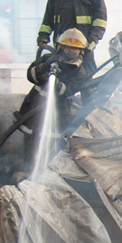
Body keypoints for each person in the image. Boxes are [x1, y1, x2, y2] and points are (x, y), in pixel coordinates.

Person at [16, 28, 91, 166]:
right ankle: (26, 172)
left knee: (52, 146)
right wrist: (45, 66)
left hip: (58, 113)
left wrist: (55, 81)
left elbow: (65, 91)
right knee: (31, 143)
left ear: (81, 51)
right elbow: (30, 75)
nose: (70, 51)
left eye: (75, 48)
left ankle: (44, 175)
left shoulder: (80, 72)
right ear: (60, 46)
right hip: (34, 109)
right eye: (68, 47)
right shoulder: (48, 59)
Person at [38, 0, 107, 76]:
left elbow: (101, 16)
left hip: (84, 45)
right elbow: (48, 18)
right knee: (60, 78)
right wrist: (43, 35)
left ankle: (90, 97)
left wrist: (93, 39)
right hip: (62, 46)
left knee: (88, 78)